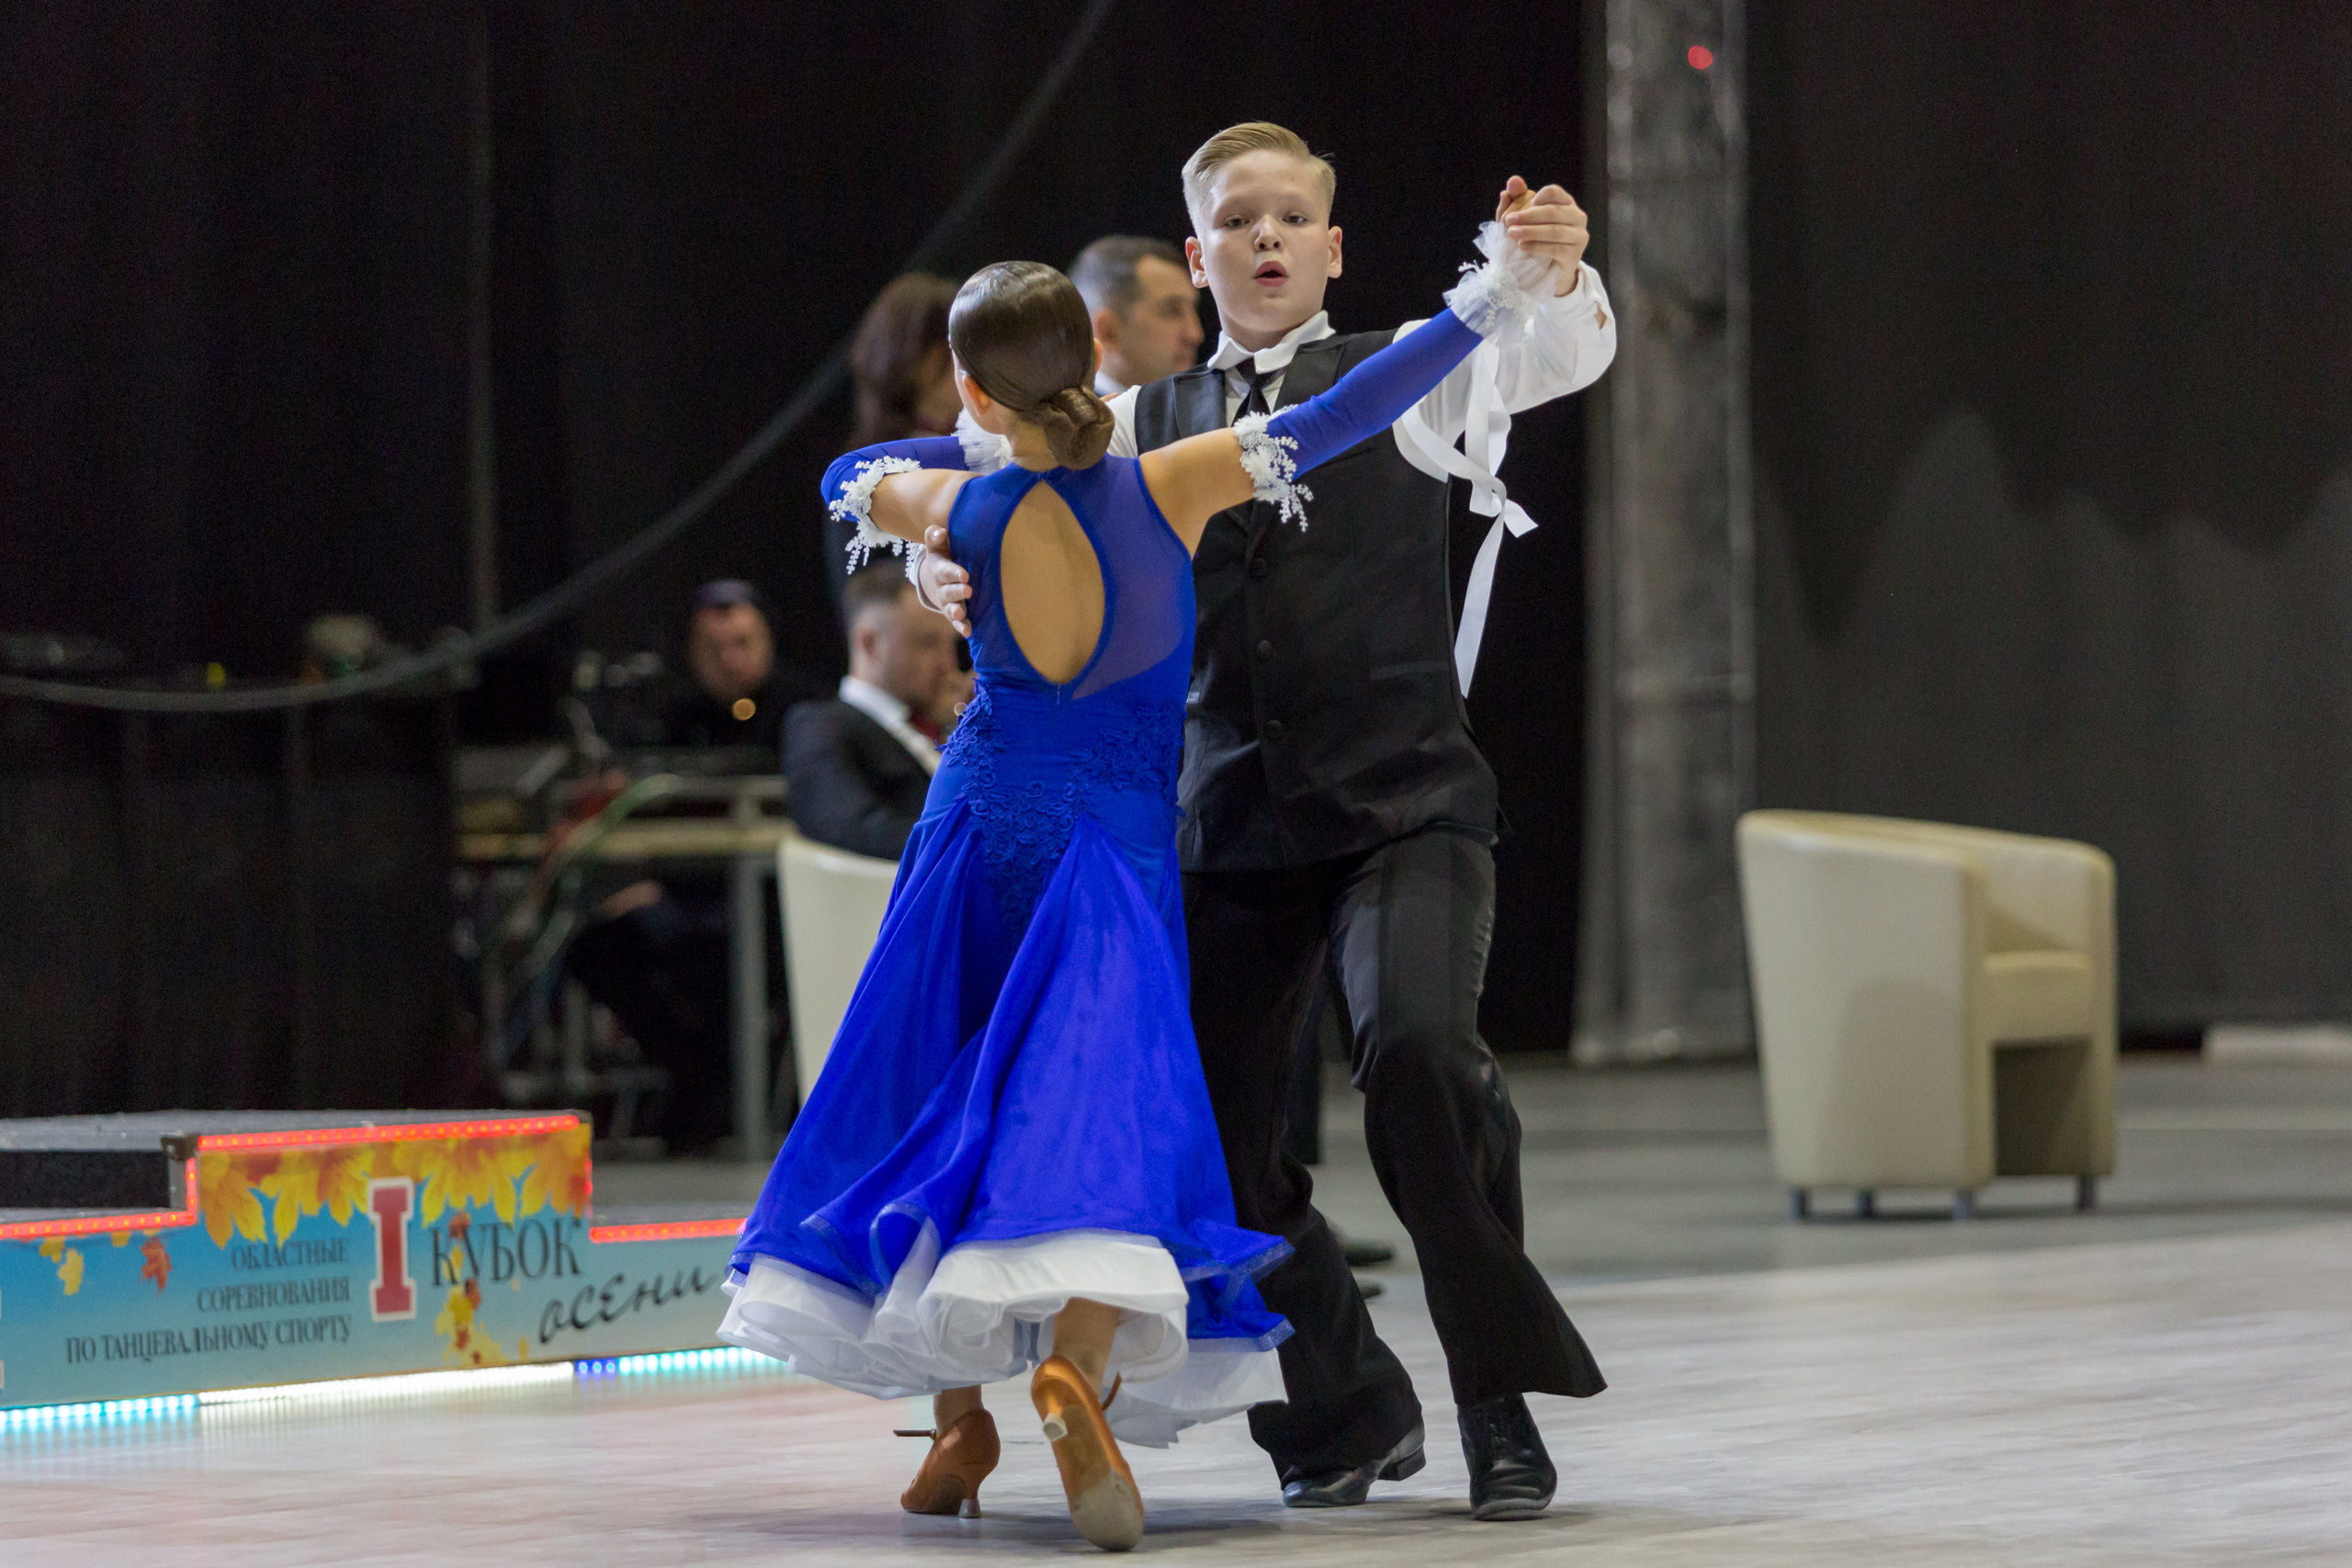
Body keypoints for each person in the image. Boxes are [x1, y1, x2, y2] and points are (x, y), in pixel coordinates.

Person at [717, 228, 1544, 1550]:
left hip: (977, 825)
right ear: (1093, 358)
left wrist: (947, 487)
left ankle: (957, 1419)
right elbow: (1354, 407)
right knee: (1084, 1106)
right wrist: (1485, 302)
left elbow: (846, 471)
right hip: (1106, 846)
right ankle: (1074, 1370)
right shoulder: (1173, 484)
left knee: (945, 1084)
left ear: (971, 392)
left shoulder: (957, 504)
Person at [920, 123, 1618, 1521]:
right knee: (1221, 1156)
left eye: (1294, 216)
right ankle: (1351, 1401)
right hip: (1228, 816)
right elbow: (997, 508)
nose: (1268, 238)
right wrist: (956, 577)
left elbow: (1558, 350)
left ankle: (1496, 1400)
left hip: (1406, 802)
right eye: (1240, 221)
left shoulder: (1406, 369)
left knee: (1420, 1056)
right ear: (1198, 254)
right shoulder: (1132, 420)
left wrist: (1552, 266)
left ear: (1334, 244)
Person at [783, 561, 957, 860]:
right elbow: (852, 827)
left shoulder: (948, 725)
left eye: (951, 645)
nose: (948, 663)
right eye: (927, 644)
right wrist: (984, 849)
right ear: (869, 643)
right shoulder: (821, 724)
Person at [823, 274, 966, 612]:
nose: (969, 360)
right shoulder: (860, 474)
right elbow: (864, 600)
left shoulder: (993, 443)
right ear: (911, 356)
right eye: (951, 344)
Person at [654, 579, 825, 750]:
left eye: (742, 643)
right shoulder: (672, 719)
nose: (728, 660)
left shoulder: (809, 707)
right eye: (713, 648)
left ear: (767, 640)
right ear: (691, 652)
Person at [1068, 235, 1204, 395]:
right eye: (1172, 311)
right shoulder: (1064, 419)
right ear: (1108, 332)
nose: (1195, 335)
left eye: (1193, 309)